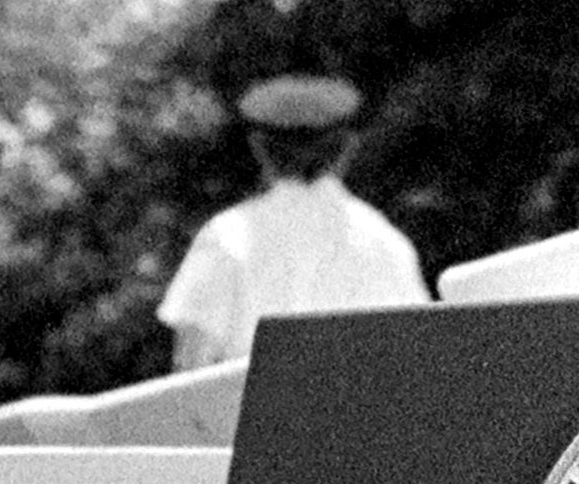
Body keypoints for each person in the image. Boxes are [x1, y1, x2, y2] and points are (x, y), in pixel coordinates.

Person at [157, 73, 431, 372]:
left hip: (252, 416)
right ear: (346, 148)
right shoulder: (385, 242)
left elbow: (188, 367)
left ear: (259, 148)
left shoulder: (226, 236)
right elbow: (417, 358)